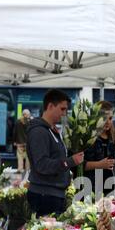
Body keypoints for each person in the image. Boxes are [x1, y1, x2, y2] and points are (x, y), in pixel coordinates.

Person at [26, 89, 84, 217]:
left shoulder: (51, 131)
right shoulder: (39, 132)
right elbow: (42, 164)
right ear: (50, 106)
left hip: (52, 194)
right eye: (62, 109)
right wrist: (70, 161)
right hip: (45, 196)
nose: (64, 114)